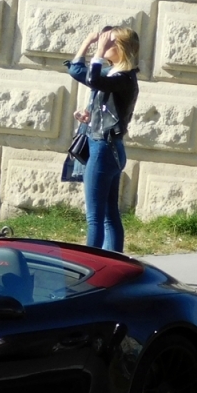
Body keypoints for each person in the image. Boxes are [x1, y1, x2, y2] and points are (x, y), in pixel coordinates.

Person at [65, 26, 140, 253]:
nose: (106, 45)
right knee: (108, 215)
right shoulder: (114, 74)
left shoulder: (123, 78)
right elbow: (78, 72)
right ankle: (112, 263)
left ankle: (90, 266)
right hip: (107, 148)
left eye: (111, 43)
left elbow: (93, 79)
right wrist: (88, 42)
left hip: (104, 150)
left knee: (95, 217)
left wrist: (98, 52)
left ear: (122, 49)